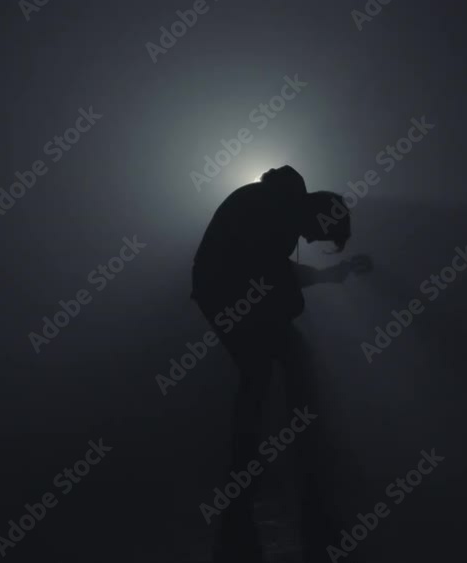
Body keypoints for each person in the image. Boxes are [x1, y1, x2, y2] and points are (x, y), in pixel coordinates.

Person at [191, 165, 371, 562]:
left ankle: (253, 461)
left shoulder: (275, 206)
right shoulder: (276, 215)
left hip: (219, 290)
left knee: (265, 369)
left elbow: (279, 272)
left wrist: (325, 277)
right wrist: (301, 294)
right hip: (227, 293)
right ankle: (274, 458)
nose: (310, 240)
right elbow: (275, 276)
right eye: (318, 234)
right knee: (270, 367)